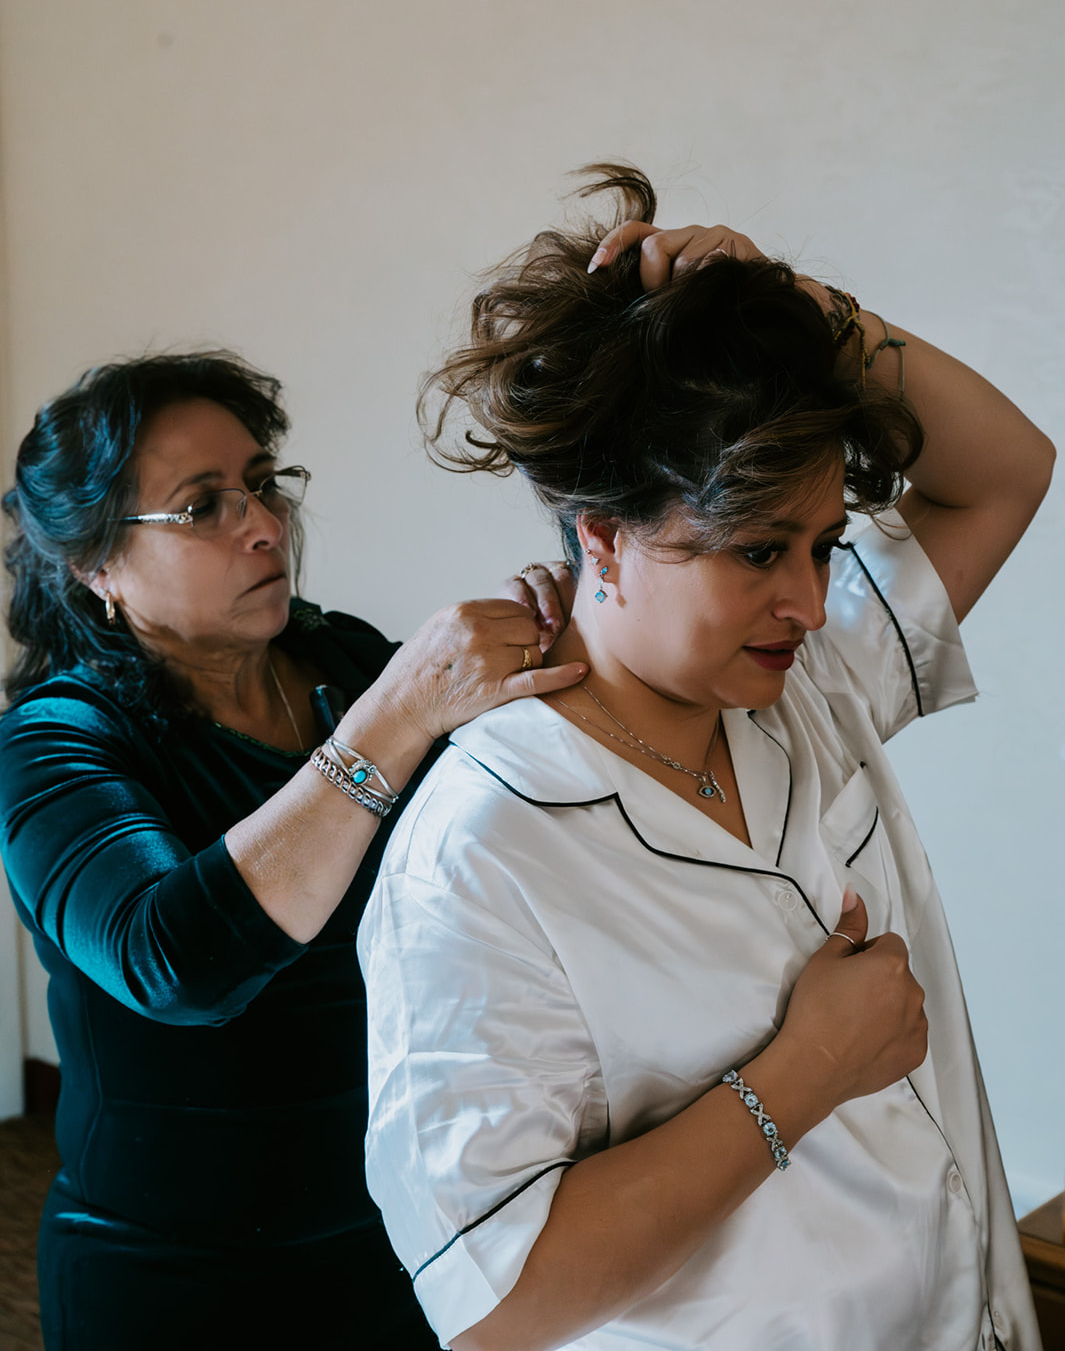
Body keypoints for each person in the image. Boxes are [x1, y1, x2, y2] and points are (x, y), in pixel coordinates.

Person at [359, 165, 1054, 1351]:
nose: (806, 595)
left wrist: (803, 308)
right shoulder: (483, 849)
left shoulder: (802, 689)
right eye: (756, 549)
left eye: (827, 544)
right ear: (604, 540)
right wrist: (808, 1069)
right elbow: (497, 1300)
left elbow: (1005, 470)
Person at [0, 350, 587, 1351]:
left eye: (262, 483)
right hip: (175, 1282)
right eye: (203, 507)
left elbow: (490, 846)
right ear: (94, 565)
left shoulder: (342, 659)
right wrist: (396, 716)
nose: (265, 525)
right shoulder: (55, 741)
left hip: (397, 1236)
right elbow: (177, 960)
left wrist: (568, 640)